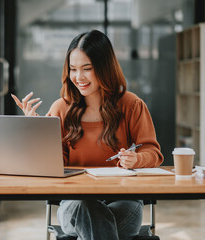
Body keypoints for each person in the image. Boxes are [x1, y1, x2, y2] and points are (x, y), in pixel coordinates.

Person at [11, 30, 164, 240]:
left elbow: (153, 152)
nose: (78, 77)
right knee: (88, 209)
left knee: (97, 219)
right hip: (74, 203)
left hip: (124, 202)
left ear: (104, 68)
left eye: (87, 69)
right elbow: (52, 164)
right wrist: (36, 133)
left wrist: (137, 158)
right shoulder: (60, 109)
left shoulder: (132, 105)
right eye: (73, 69)